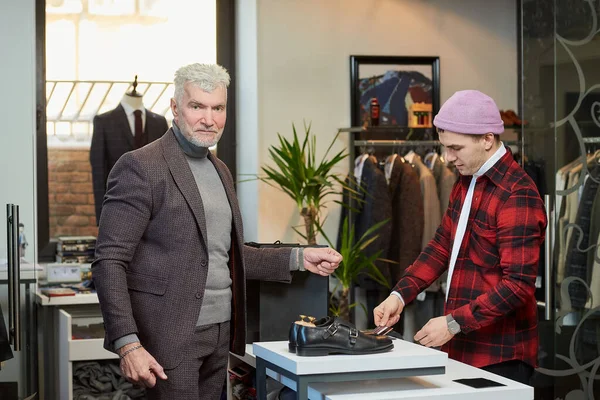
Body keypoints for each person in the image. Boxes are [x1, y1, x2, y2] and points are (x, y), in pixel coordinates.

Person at [92, 63, 342, 399]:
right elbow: (109, 261)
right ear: (175, 107)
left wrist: (299, 257)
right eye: (197, 107)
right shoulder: (141, 166)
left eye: (218, 108)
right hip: (168, 336)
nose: (209, 119)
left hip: (221, 333)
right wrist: (127, 344)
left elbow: (227, 254)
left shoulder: (219, 169)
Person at [374, 90, 547, 385]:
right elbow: (442, 245)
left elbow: (518, 285)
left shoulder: (518, 194)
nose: (447, 157)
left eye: (456, 148)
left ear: (487, 139)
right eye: (445, 147)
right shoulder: (466, 180)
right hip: (463, 346)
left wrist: (454, 323)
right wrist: (399, 295)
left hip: (500, 356)